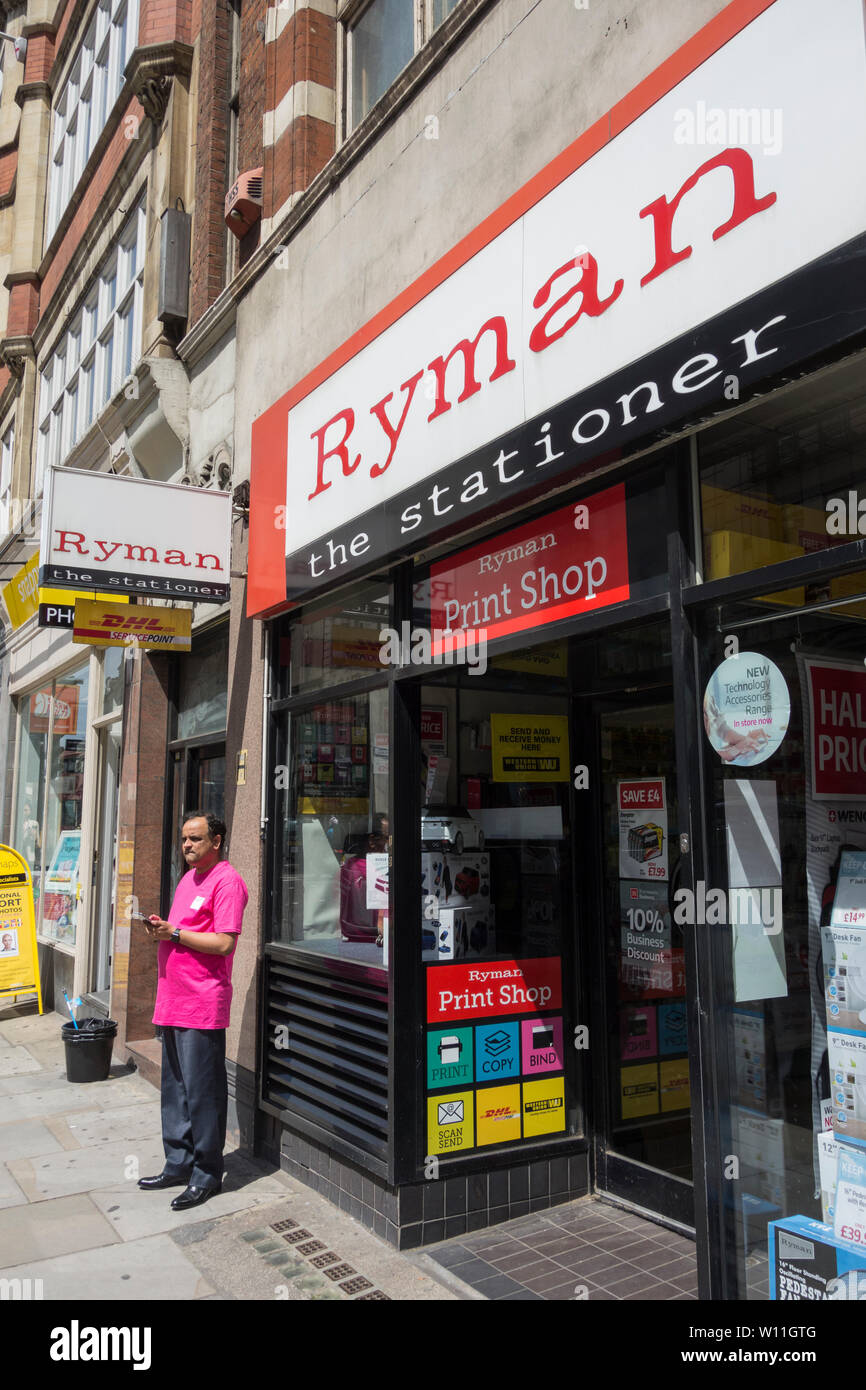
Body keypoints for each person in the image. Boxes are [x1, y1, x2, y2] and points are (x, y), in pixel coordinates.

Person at [137, 810, 248, 1210]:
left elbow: (223, 944)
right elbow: (182, 930)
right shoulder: (187, 879)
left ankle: (206, 1174)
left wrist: (177, 933)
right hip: (173, 998)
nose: (187, 845)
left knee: (202, 1093)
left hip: (202, 1002)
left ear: (216, 841)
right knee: (176, 1091)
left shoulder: (228, 881)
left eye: (195, 839)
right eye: (184, 839)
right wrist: (161, 929)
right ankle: (179, 1163)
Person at [339, 813, 389, 943]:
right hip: (377, 934)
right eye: (387, 837)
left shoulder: (349, 865)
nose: (390, 841)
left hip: (352, 933)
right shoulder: (379, 868)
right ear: (372, 841)